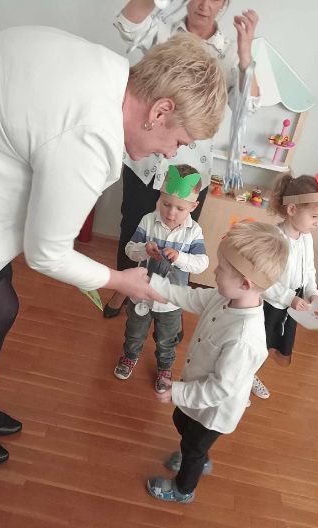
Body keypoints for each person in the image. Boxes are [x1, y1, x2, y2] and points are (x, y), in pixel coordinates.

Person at [0, 27, 227, 466]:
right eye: (179, 141)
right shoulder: (93, 134)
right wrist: (119, 280)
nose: (172, 155)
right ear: (160, 111)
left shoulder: (107, 69)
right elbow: (46, 253)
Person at [104, 0, 260, 318]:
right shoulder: (163, 31)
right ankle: (124, 288)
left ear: (225, 3)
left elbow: (249, 106)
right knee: (133, 226)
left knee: (180, 233)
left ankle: (169, 300)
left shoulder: (229, 51)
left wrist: (245, 53)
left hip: (189, 170)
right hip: (145, 160)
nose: (204, 4)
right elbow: (128, 24)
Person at [143, 221, 289, 503]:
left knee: (193, 445)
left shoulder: (244, 339)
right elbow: (189, 296)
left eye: (221, 269)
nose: (214, 272)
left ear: (245, 283)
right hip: (197, 393)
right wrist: (154, 285)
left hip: (214, 411)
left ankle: (183, 489)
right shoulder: (225, 298)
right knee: (181, 422)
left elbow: (220, 389)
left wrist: (177, 392)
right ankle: (197, 455)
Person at [113, 164, 209, 392]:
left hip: (171, 302)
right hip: (141, 295)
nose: (171, 213)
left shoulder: (193, 232)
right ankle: (130, 356)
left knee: (167, 339)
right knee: (134, 332)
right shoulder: (148, 220)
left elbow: (202, 263)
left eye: (180, 208)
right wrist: (144, 250)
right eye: (166, 204)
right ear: (160, 197)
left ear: (193, 206)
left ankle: (165, 368)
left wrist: (180, 257)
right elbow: (129, 249)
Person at [251, 173, 318, 399]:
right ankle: (239, 380)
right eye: (315, 216)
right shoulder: (274, 238)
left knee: (268, 345)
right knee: (255, 344)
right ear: (292, 209)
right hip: (269, 304)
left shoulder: (306, 237)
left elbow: (309, 271)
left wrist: (312, 293)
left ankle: (249, 375)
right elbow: (262, 280)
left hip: (289, 306)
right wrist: (289, 298)